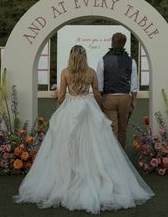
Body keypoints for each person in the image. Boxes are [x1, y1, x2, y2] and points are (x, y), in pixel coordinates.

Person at [13, 45, 154, 214]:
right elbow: (96, 93)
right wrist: (99, 107)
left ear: (71, 56)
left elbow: (62, 95)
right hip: (88, 108)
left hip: (70, 108)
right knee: (96, 144)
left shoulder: (65, 72)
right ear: (85, 56)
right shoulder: (91, 72)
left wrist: (57, 101)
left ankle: (67, 178)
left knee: (65, 143)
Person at [97, 32, 138, 150]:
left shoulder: (103, 60)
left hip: (109, 97)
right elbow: (134, 83)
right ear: (124, 44)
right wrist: (133, 100)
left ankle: (113, 156)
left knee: (112, 128)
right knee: (123, 128)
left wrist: (100, 99)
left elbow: (99, 84)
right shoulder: (131, 61)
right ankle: (122, 156)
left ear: (112, 42)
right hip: (125, 97)